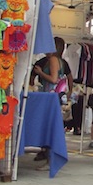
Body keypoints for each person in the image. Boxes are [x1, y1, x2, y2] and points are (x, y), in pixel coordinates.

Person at [32, 37, 72, 169]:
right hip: (54, 98)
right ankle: (51, 159)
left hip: (51, 97)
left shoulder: (53, 60)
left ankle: (50, 160)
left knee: (50, 128)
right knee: (52, 128)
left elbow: (54, 79)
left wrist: (40, 73)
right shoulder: (60, 61)